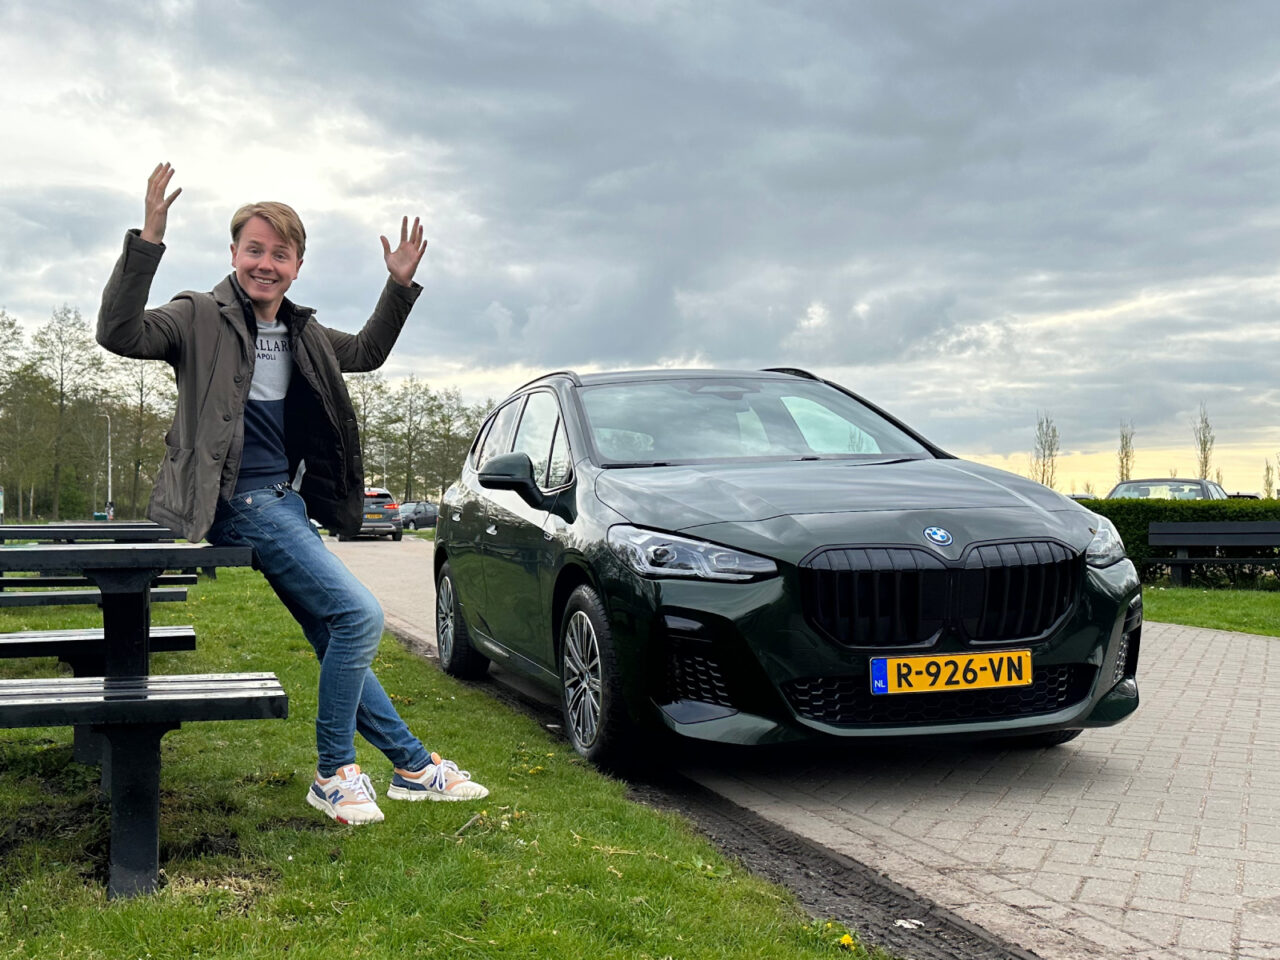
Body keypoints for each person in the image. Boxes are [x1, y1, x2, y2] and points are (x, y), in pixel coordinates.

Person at [97, 163, 487, 825]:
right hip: (235, 502)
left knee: (335, 632)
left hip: (283, 503)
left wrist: (397, 287)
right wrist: (148, 239)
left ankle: (414, 767)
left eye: (280, 253)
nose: (265, 263)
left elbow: (365, 351)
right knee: (360, 618)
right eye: (254, 249)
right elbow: (120, 333)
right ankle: (335, 771)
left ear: (298, 266)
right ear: (233, 255)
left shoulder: (303, 334)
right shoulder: (197, 316)